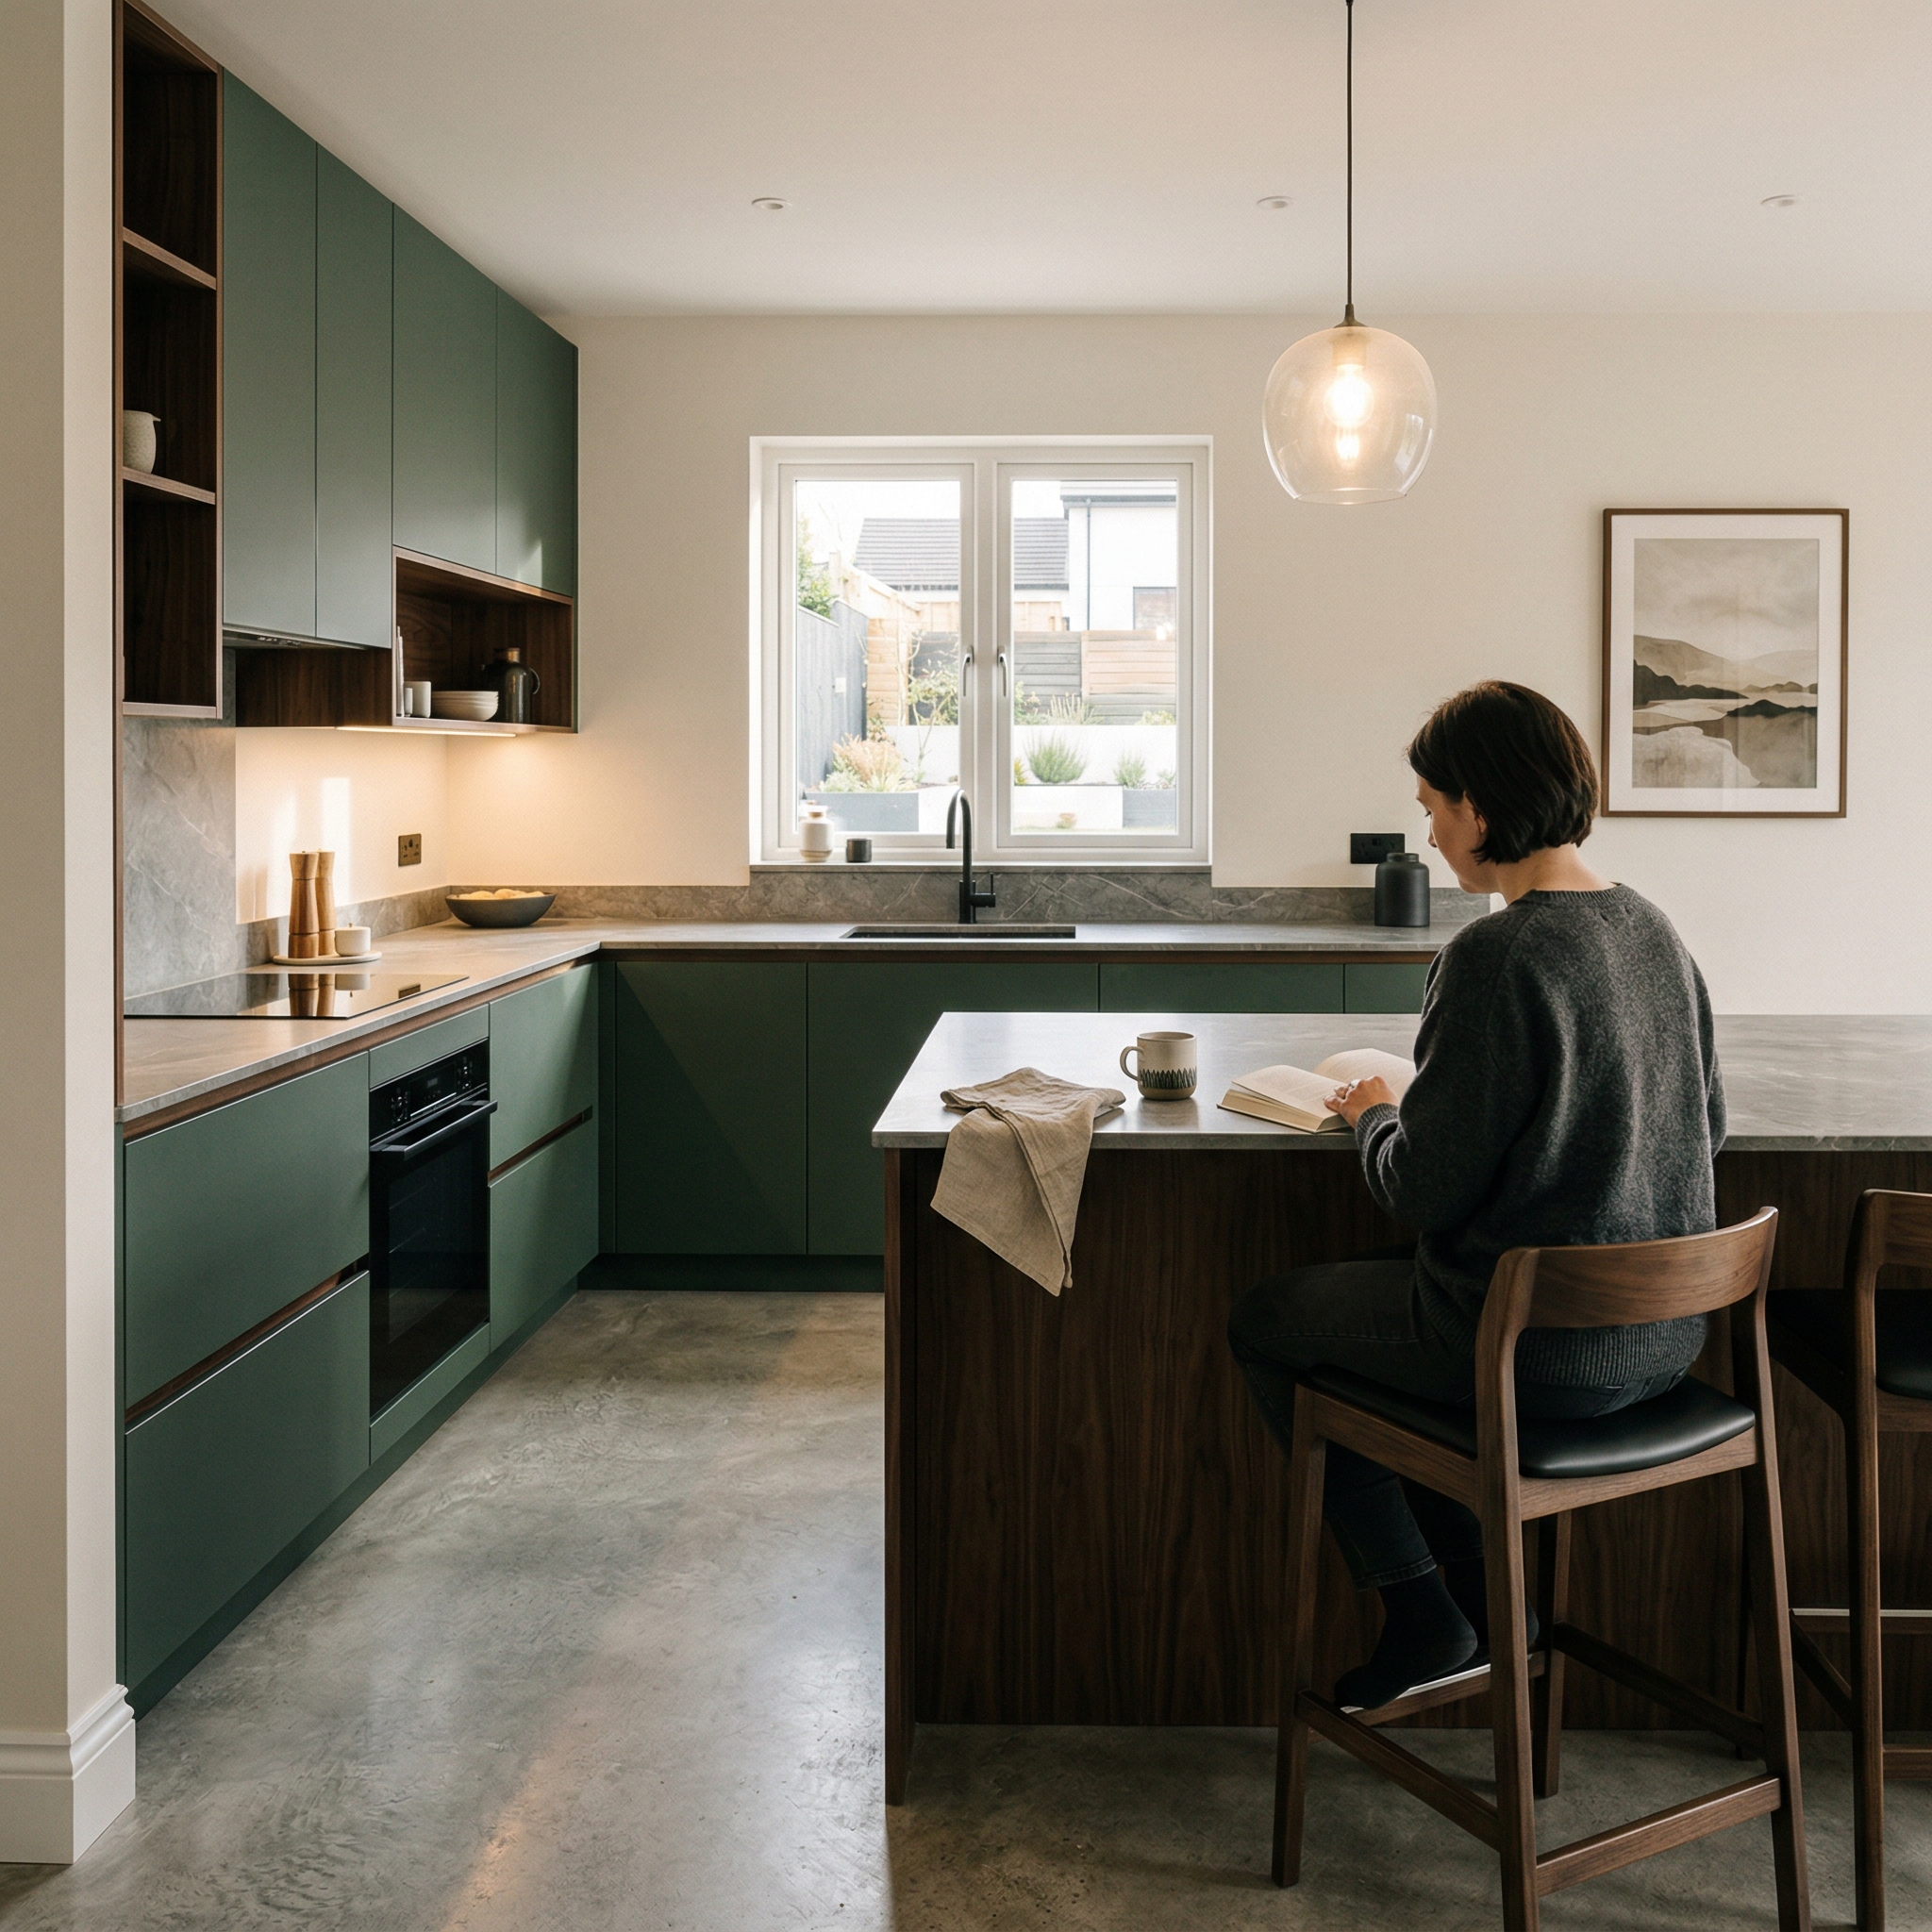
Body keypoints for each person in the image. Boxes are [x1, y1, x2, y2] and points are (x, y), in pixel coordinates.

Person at [1227, 680, 1725, 1711]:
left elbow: (1419, 1187)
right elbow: (1703, 1130)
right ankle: (1489, 1609)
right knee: (1378, 1331)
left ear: (1480, 808)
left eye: (1430, 804)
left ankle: (1424, 1616)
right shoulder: (1652, 931)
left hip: (1527, 1351)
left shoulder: (1495, 956)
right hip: (1667, 1342)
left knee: (1268, 1320)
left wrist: (1373, 1110)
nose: (1428, 829)